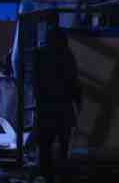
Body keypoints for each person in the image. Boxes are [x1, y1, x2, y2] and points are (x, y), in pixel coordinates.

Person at [32, 27, 83, 182]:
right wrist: (78, 102)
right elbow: (73, 81)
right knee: (64, 144)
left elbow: (35, 82)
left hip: (45, 106)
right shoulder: (67, 55)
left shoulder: (39, 55)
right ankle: (63, 175)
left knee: (45, 144)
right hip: (63, 106)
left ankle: (46, 175)